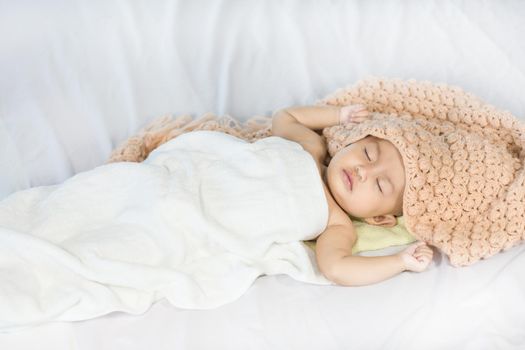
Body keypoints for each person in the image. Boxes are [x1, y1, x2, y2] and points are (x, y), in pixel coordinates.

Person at [272, 104, 434, 286]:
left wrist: (401, 261)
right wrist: (339, 115)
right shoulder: (311, 147)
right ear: (352, 142)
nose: (363, 171)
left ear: (379, 218)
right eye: (368, 153)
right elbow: (285, 117)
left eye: (380, 185)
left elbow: (337, 268)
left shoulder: (335, 224)